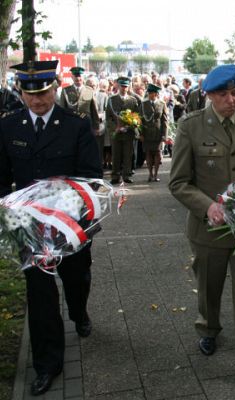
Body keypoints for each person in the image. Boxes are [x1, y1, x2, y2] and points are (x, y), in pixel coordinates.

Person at [168, 64, 235, 385]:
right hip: (209, 229)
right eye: (224, 94)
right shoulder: (191, 126)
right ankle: (209, 327)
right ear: (210, 95)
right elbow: (179, 182)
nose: (232, 100)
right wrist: (209, 206)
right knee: (209, 288)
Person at [0, 60, 101, 396]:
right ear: (21, 92)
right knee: (40, 295)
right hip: (28, 227)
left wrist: (64, 209)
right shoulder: (9, 127)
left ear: (55, 89)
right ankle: (47, 364)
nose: (37, 100)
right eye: (30, 94)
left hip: (69, 224)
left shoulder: (75, 126)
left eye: (43, 92)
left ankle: (79, 311)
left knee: (77, 278)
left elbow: (92, 178)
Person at [106, 76, 139, 184]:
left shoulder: (133, 100)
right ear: (118, 86)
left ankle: (126, 175)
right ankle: (115, 176)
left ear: (128, 87)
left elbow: (137, 116)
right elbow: (108, 118)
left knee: (128, 154)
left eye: (126, 86)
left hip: (128, 132)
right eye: (122, 86)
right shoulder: (112, 99)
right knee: (116, 154)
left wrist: (131, 125)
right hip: (116, 132)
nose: (124, 88)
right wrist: (116, 127)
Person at [58, 67, 100, 134]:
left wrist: (96, 127)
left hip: (86, 125)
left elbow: (94, 110)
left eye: (79, 76)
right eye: (75, 76)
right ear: (72, 77)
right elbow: (62, 109)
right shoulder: (66, 91)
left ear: (83, 77)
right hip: (71, 126)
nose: (78, 78)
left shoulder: (90, 91)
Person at [140, 83, 167, 182]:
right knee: (148, 153)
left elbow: (165, 120)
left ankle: (156, 174)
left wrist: (165, 134)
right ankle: (150, 174)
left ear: (156, 94)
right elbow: (140, 120)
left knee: (158, 154)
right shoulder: (143, 104)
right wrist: (140, 133)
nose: (150, 95)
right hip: (146, 132)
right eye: (149, 93)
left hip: (157, 132)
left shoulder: (162, 103)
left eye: (152, 93)